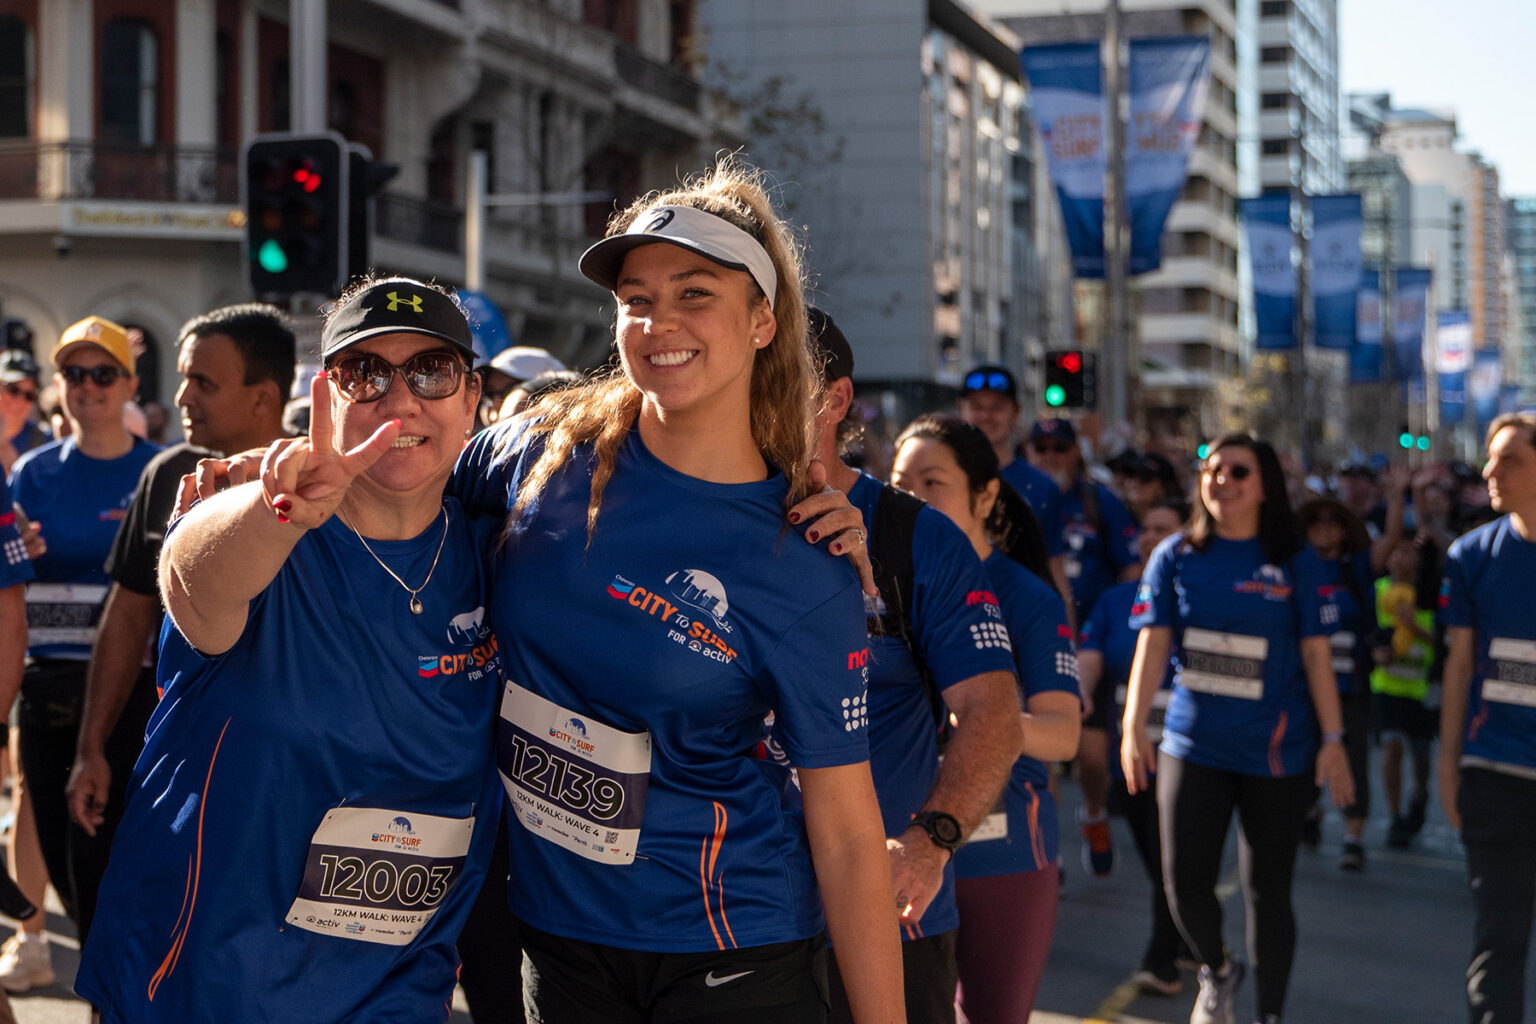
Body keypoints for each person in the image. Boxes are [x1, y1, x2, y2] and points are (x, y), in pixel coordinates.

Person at [451, 162, 905, 1023]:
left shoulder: (802, 559)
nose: (659, 322)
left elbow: (847, 835)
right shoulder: (535, 455)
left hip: (732, 950)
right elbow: (395, 499)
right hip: (558, 938)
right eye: (636, 298)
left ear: (763, 320)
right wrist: (262, 482)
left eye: (695, 293)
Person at [75, 278, 505, 1021]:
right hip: (209, 984)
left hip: (394, 988)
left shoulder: (502, 551)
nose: (400, 401)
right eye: (366, 374)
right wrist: (277, 509)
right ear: (327, 397)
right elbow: (190, 579)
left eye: (431, 372)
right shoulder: (265, 530)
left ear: (471, 400)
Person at [805, 311, 1022, 1024]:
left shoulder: (913, 534)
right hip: (728, 919)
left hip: (888, 913)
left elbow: (993, 712)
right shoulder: (699, 520)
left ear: (834, 402)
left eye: (776, 384)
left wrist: (932, 843)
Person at [1121, 432, 1354, 1024]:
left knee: (1266, 894)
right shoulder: (1175, 554)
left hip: (1277, 755)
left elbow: (1317, 657)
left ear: (1265, 486)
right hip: (1192, 743)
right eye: (1213, 469)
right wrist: (1132, 729)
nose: (1222, 480)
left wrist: (1334, 742)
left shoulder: (1296, 560)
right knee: (1182, 888)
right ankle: (1218, 970)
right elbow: (1151, 645)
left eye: (1239, 471)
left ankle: (1270, 1015)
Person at [66, 305, 296, 847]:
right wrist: (91, 746)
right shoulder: (167, 474)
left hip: (279, 784)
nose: (181, 397)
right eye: (184, 378)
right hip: (172, 764)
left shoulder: (318, 487)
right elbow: (127, 614)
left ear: (262, 396)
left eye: (203, 382)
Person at [889, 413, 1080, 1024]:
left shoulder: (1025, 597)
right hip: (896, 851)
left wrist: (985, 719)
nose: (911, 497)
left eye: (932, 481)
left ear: (986, 494)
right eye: (899, 481)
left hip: (1001, 857)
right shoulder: (875, 582)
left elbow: (1065, 733)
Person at [7, 317, 159, 960]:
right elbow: (8, 577)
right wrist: (24, 552)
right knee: (53, 835)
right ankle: (38, 936)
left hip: (132, 689)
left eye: (103, 374)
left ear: (128, 383)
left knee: (118, 851)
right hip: (46, 682)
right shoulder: (33, 473)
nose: (87, 387)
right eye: (73, 374)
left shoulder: (158, 471)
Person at [1438, 412, 1536, 1024]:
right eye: (1490, 457)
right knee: (1498, 944)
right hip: (1495, 776)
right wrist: (1449, 769)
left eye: (1510, 460)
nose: (1489, 470)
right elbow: (1456, 670)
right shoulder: (1471, 556)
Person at [1295, 476, 1405, 870]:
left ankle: (1353, 839)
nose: (1324, 527)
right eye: (1316, 521)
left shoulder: (1355, 568)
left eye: (1333, 521)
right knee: (1303, 754)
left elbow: (1391, 541)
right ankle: (1308, 814)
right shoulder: (1298, 568)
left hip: (1351, 685)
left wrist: (1396, 497)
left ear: (1344, 531)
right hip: (1304, 686)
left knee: (1354, 757)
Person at [956, 365, 1074, 622]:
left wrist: (1067, 644)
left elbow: (1055, 571)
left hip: (1022, 619)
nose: (986, 415)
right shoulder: (941, 479)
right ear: (961, 409)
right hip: (955, 616)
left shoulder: (1042, 487)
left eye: (997, 407)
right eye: (977, 406)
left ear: (1016, 412)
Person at [1369, 537, 1436, 850]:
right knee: (1392, 747)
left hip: (1422, 689)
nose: (1402, 557)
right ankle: (1395, 817)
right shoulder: (1378, 590)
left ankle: (1420, 796)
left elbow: (1449, 641)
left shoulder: (1431, 593)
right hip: (1387, 686)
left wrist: (1416, 628)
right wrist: (1376, 651)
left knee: (1421, 755)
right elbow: (1367, 632)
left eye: (1409, 551)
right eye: (1397, 550)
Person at [0, 350, 50, 475]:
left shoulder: (46, 440)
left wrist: (17, 472)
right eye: (13, 389)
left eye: (29, 395)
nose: (20, 401)